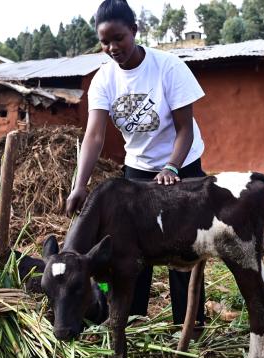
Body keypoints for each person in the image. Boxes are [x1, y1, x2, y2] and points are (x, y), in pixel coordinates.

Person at [66, 0, 206, 329]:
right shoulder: (103, 80)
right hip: (138, 174)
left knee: (181, 253)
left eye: (119, 38)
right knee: (131, 255)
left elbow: (185, 129)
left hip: (182, 170)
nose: (112, 48)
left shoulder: (168, 67)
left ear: (135, 31)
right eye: (104, 41)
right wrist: (79, 185)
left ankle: (189, 328)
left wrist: (171, 168)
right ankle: (135, 324)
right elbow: (94, 137)